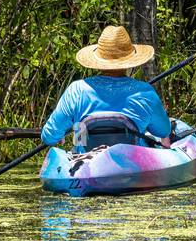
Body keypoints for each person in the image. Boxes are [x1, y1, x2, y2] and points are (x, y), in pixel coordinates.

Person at [39, 25, 171, 151]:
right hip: (132, 162)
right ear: (129, 62)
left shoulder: (76, 90)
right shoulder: (145, 92)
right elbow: (163, 130)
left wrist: (64, 131)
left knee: (79, 131)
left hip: (85, 163)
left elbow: (49, 137)